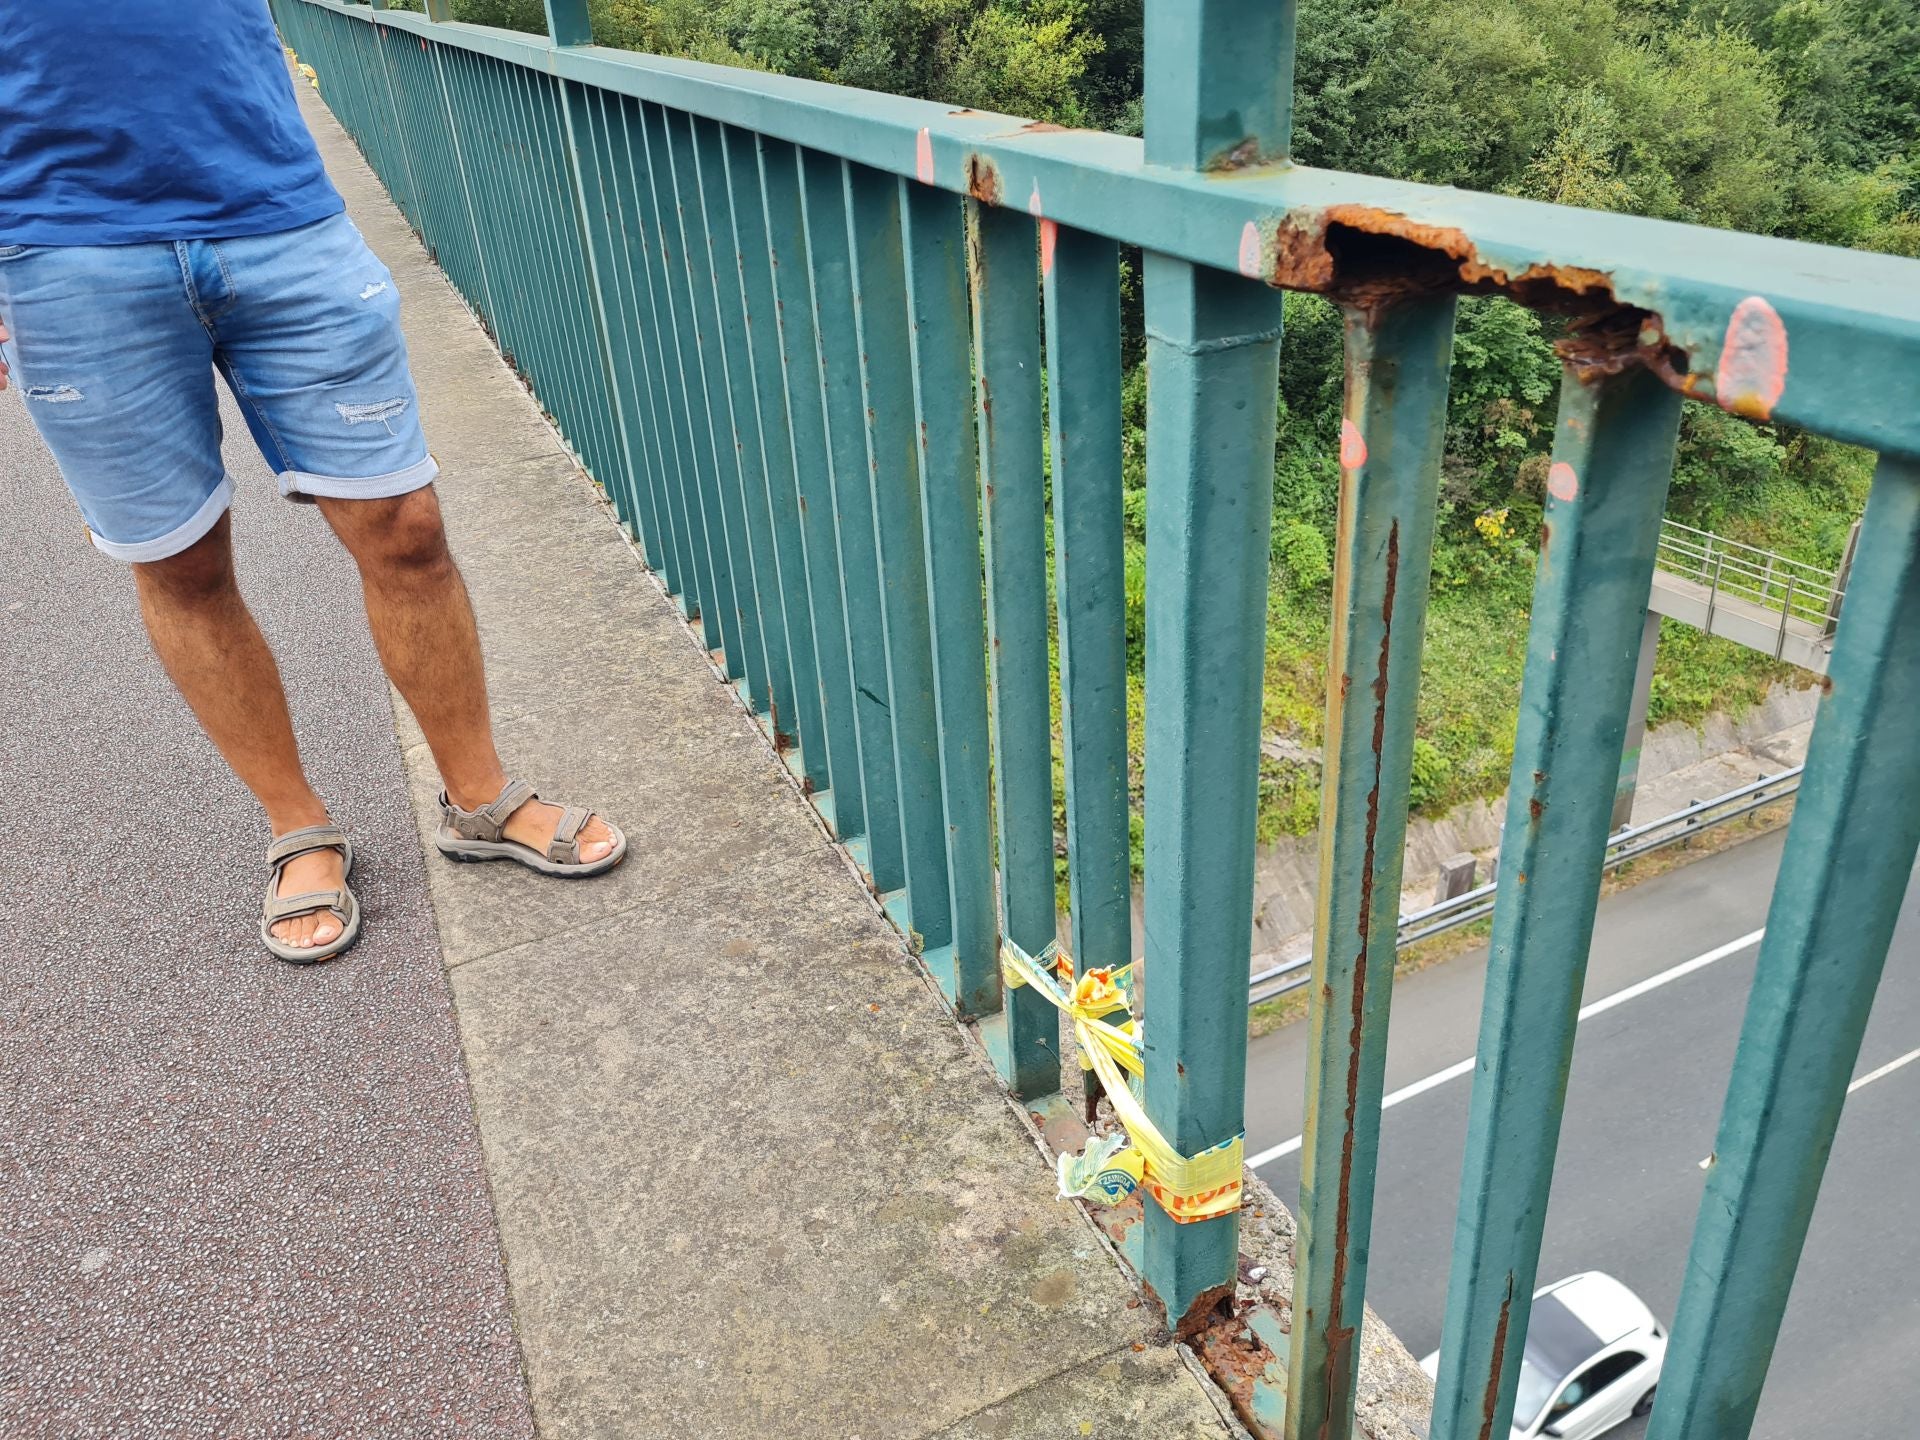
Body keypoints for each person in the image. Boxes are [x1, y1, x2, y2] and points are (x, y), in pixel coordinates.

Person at [0, 1, 624, 965]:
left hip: (275, 209)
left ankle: (481, 799)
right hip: (58, 244)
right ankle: (298, 823)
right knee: (181, 563)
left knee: (406, 525)